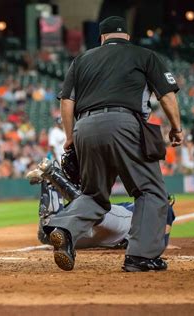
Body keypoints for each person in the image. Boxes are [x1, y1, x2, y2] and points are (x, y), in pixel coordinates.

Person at [44, 16, 183, 272]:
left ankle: (64, 228)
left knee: (94, 195)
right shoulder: (144, 55)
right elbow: (167, 95)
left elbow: (66, 102)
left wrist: (70, 138)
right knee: (151, 191)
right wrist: (176, 128)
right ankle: (140, 256)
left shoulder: (82, 60)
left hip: (84, 126)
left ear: (102, 37)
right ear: (127, 36)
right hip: (124, 123)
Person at [26, 162, 176, 250]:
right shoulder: (161, 206)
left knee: (48, 235)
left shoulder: (143, 203)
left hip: (104, 237)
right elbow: (160, 242)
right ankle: (53, 173)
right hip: (119, 228)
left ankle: (49, 183)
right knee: (96, 210)